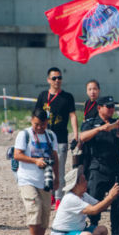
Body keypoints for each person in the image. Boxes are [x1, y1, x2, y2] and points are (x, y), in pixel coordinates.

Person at [80, 95, 119, 235]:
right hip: (98, 166)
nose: (111, 109)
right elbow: (82, 137)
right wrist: (100, 129)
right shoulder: (91, 122)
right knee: (94, 197)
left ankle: (116, 231)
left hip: (115, 166)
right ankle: (93, 225)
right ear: (99, 108)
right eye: (108, 107)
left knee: (116, 200)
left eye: (113, 107)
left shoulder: (116, 123)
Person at [12, 108, 59, 235]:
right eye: (37, 124)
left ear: (47, 123)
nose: (39, 127)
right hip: (27, 178)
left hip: (45, 179)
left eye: (43, 124)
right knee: (35, 207)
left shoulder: (51, 136)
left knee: (45, 211)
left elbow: (55, 157)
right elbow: (17, 154)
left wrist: (57, 177)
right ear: (32, 120)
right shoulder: (24, 135)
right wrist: (35, 161)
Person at [51, 166, 119, 235]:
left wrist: (111, 197)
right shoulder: (71, 198)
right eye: (83, 180)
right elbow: (94, 210)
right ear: (75, 185)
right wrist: (110, 197)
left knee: (102, 230)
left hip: (76, 233)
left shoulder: (83, 195)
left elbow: (100, 206)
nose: (86, 182)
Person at [35, 67, 78, 209]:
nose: (57, 80)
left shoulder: (67, 97)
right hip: (44, 139)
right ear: (48, 80)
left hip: (60, 139)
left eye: (59, 78)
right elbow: (36, 116)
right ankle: (50, 194)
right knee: (44, 167)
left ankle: (59, 198)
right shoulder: (42, 96)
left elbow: (72, 115)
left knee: (59, 169)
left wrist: (76, 134)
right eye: (54, 78)